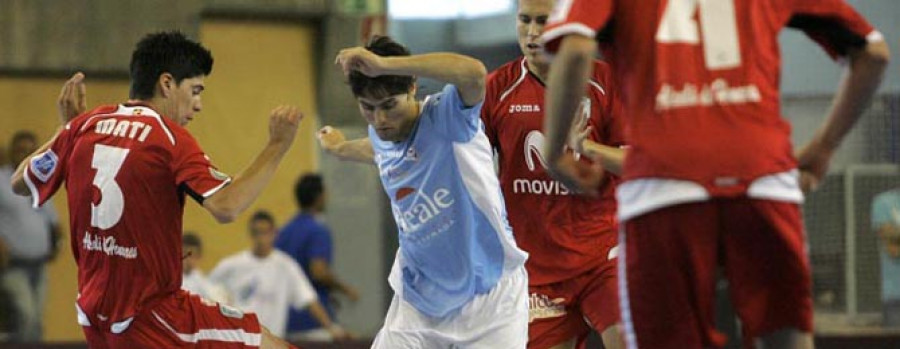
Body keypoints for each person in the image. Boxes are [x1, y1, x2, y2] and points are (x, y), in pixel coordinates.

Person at [539, 1, 890, 348]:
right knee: (787, 338)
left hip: (665, 182)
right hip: (763, 178)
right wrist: (824, 146)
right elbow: (873, 53)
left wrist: (555, 152)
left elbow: (574, 49)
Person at [9, 31, 305, 348]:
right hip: (154, 313)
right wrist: (277, 145)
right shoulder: (169, 138)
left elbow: (20, 183)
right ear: (166, 83)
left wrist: (65, 129)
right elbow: (227, 205)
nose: (199, 105)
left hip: (95, 316)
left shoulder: (87, 124)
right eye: (195, 91)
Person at [319, 35, 529, 348]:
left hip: (490, 297)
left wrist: (384, 66)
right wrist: (341, 148)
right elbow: (376, 149)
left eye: (390, 105)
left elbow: (473, 73)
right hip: (419, 304)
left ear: (412, 87)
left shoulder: (448, 118)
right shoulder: (381, 135)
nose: (381, 120)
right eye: (368, 108)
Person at [480, 0, 625, 348]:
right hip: (537, 267)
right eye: (524, 21)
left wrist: (589, 148)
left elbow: (637, 161)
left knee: (626, 339)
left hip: (601, 254)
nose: (531, 33)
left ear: (563, 23)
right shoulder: (496, 89)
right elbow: (468, 164)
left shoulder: (606, 82)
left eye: (542, 21)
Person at [210, 211, 344, 339]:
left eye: (265, 232)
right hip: (241, 341)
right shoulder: (230, 265)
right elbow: (207, 291)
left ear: (274, 234)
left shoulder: (286, 266)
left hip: (271, 340)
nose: (261, 238)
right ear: (250, 234)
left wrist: (330, 327)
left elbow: (309, 300)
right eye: (256, 233)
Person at [275, 173, 359, 342]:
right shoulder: (317, 230)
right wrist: (344, 289)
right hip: (313, 319)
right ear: (318, 197)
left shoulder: (283, 232)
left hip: (283, 318)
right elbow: (318, 271)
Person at [0, 131, 63, 342]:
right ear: (12, 152)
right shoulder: (2, 181)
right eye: (21, 150)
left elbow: (51, 219)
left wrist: (57, 241)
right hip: (13, 266)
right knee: (25, 317)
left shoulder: (38, 182)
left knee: (35, 321)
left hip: (39, 265)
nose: (26, 154)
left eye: (30, 150)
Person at [871, 188, 900, 327]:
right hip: (895, 297)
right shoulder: (884, 202)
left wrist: (897, 233)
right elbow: (893, 249)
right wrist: (893, 237)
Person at [181, 232, 229, 304]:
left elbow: (220, 302)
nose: (186, 259)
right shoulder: (167, 279)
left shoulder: (204, 283)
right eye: (183, 253)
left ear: (198, 256)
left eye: (190, 255)